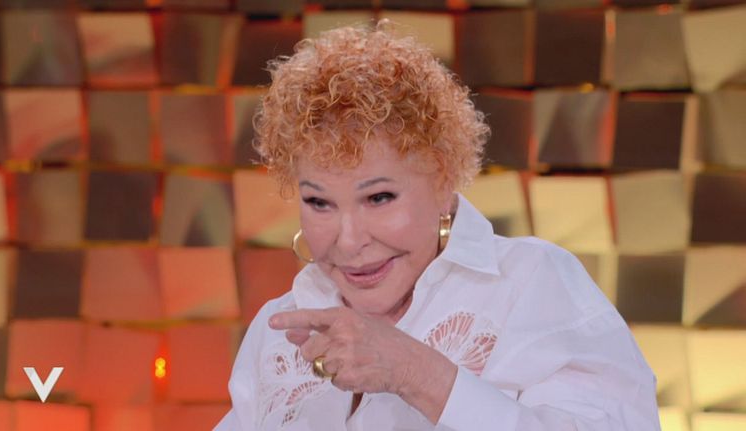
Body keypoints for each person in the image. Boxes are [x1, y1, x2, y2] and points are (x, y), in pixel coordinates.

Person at [214, 21, 660, 431]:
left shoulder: (531, 282)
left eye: (379, 198)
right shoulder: (276, 330)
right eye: (319, 202)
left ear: (444, 179)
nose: (348, 241)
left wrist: (415, 371)